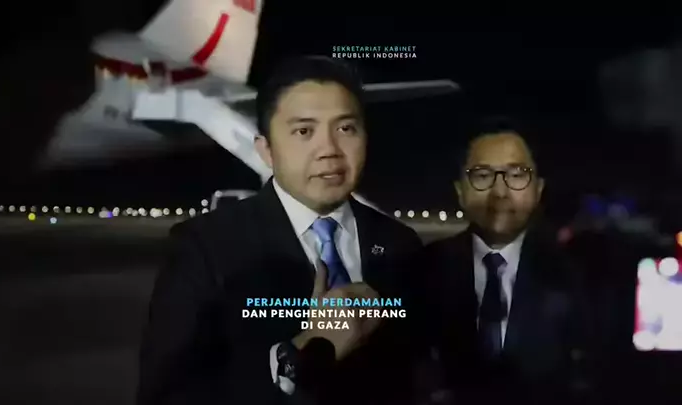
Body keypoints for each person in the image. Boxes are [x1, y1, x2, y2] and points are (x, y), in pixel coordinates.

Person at [137, 56, 424, 405]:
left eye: (346, 128)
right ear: (266, 150)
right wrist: (293, 360)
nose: (329, 150)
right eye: (304, 131)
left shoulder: (401, 244)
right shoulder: (204, 247)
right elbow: (164, 395)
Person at [421, 117, 594, 404]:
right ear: (460, 191)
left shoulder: (578, 276)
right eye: (482, 175)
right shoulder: (420, 270)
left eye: (516, 175)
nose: (500, 193)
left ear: (538, 189)